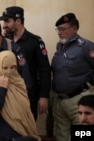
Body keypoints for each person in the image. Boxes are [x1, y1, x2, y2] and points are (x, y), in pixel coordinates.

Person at [0, 6, 51, 120]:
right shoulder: (4, 41)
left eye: (7, 21)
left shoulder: (35, 42)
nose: (4, 25)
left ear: (18, 21)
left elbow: (45, 70)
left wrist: (44, 96)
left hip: (28, 95)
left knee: (27, 132)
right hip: (7, 93)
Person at [0, 50, 40, 141]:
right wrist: (2, 89)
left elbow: (25, 111)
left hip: (20, 133)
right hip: (2, 136)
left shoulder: (19, 83)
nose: (9, 71)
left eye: (12, 67)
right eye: (5, 68)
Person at [51, 13, 94, 141]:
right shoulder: (60, 47)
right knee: (61, 137)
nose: (59, 32)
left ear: (74, 29)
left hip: (79, 100)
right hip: (60, 101)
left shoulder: (85, 46)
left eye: (63, 29)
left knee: (82, 135)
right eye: (58, 29)